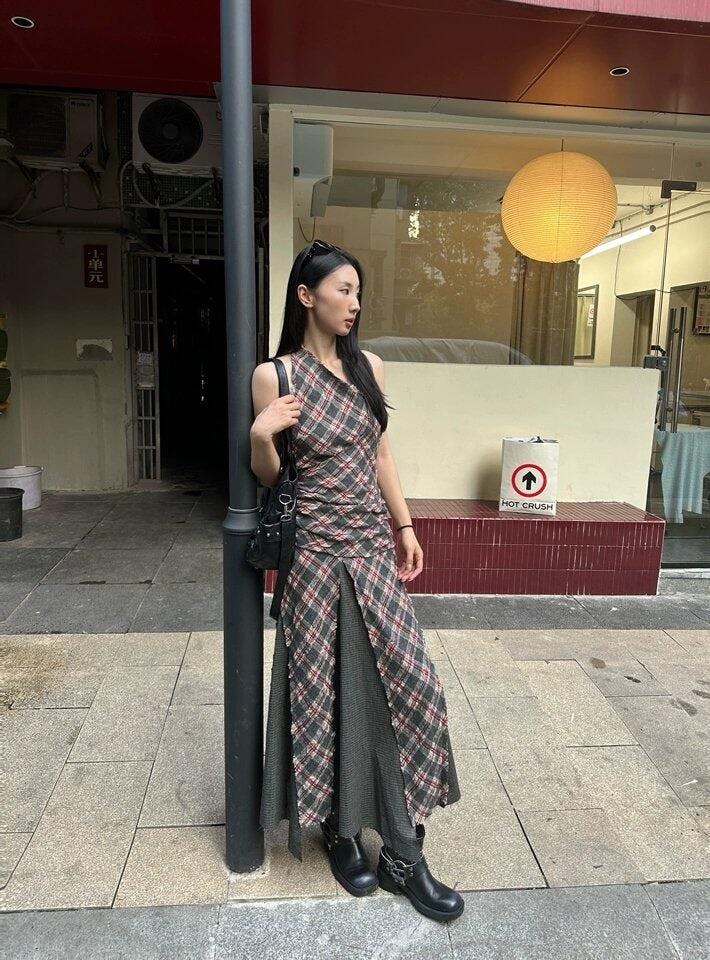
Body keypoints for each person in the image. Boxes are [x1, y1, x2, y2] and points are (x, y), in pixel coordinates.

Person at [250, 238, 464, 922]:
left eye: (358, 292)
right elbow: (272, 478)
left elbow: (381, 454)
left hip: (371, 547)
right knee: (323, 693)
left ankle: (403, 848)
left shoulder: (369, 366)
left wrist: (406, 526)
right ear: (306, 296)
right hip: (313, 556)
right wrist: (261, 435)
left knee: (414, 682)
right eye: (343, 290)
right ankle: (342, 833)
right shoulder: (275, 376)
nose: (355, 303)